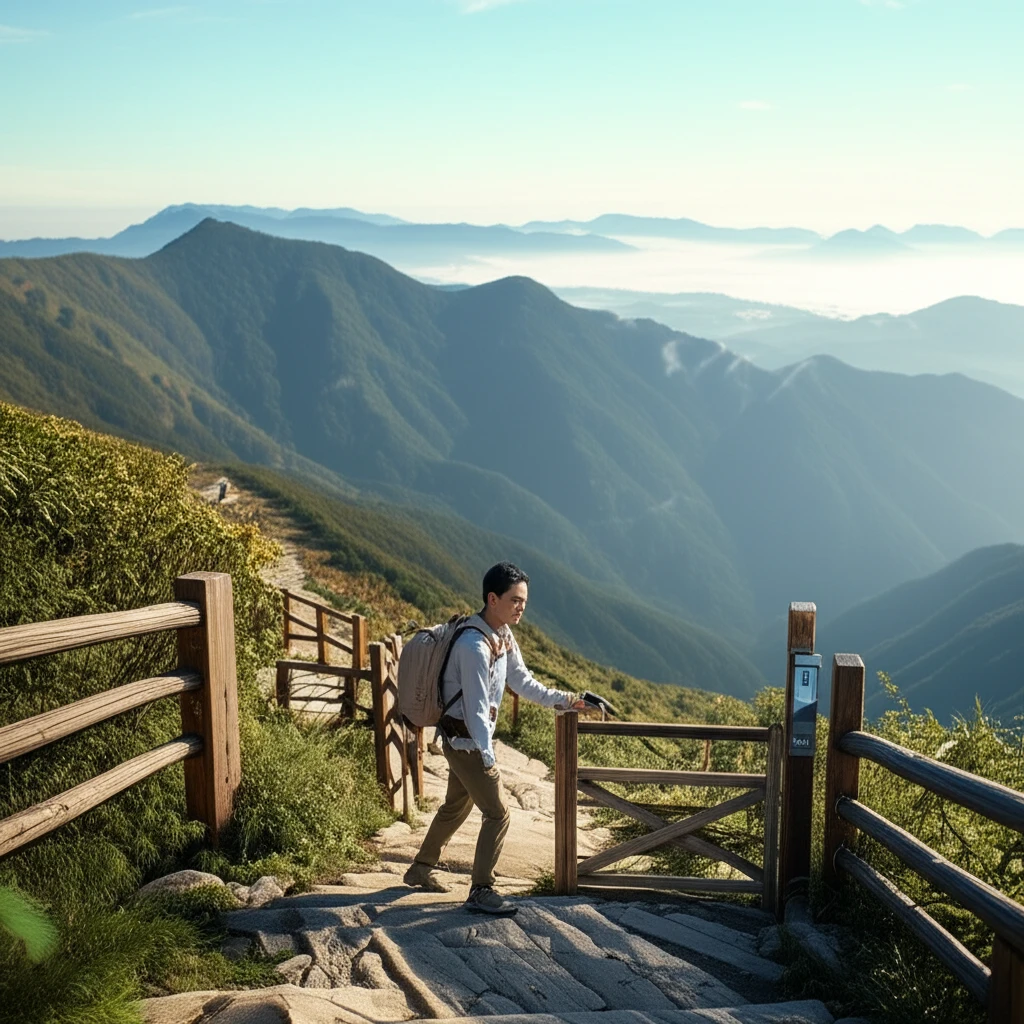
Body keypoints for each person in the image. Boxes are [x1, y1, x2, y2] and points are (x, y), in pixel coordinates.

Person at [403, 561, 585, 915]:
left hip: (463, 741)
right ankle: (481, 889)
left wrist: (565, 699)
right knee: (499, 814)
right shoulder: (474, 646)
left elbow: (522, 682)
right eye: (515, 600)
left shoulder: (501, 635)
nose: (521, 608)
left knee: (456, 806)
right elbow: (475, 709)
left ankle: (419, 869)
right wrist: (488, 757)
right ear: (492, 598)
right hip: (466, 742)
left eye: (524, 602)